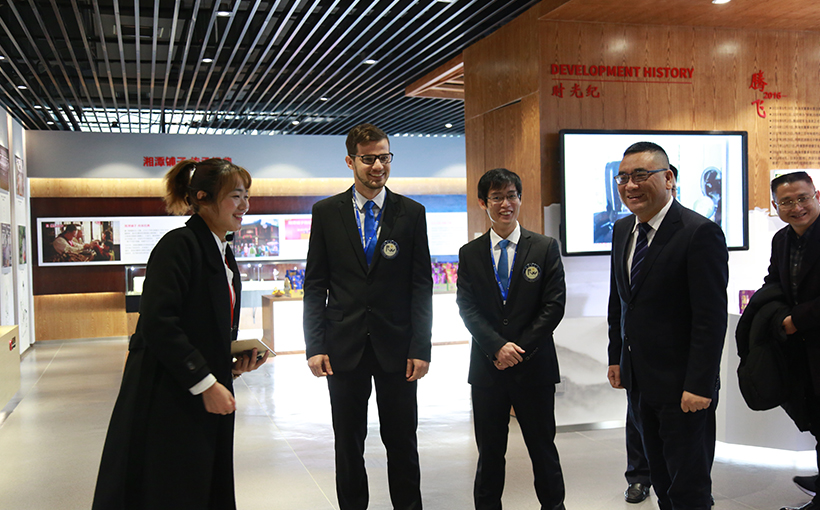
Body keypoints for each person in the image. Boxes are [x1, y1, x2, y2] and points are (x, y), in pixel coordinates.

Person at [92, 158, 269, 510]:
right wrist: (205, 381)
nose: (245, 205)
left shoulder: (221, 250)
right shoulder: (179, 245)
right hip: (167, 395)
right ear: (203, 198)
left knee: (201, 483)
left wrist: (229, 363)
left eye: (247, 196)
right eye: (236, 196)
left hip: (199, 390)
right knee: (170, 488)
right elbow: (159, 323)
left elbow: (203, 325)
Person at [303, 123, 433, 510]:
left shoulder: (411, 213)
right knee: (348, 444)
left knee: (402, 442)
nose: (378, 166)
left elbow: (421, 285)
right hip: (343, 347)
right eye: (369, 159)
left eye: (384, 157)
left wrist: (421, 347)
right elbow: (316, 284)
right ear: (350, 161)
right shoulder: (326, 212)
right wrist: (314, 345)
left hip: (398, 348)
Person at [607, 141, 728, 510]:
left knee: (688, 487)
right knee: (659, 478)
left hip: (684, 388)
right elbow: (620, 301)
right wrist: (616, 357)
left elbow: (710, 318)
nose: (630, 185)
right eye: (623, 178)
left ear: (669, 178)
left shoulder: (698, 232)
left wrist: (699, 385)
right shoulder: (623, 229)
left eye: (641, 175)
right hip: (640, 382)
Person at [456, 168, 567, 510]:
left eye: (511, 196)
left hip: (534, 368)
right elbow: (467, 307)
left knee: (543, 449)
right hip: (488, 370)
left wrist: (518, 349)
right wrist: (496, 347)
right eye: (496, 197)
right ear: (483, 203)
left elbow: (554, 306)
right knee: (489, 453)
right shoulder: (470, 253)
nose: (505, 204)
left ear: (520, 198)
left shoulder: (545, 247)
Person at [763, 171, 820, 510]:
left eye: (802, 198)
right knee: (814, 414)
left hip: (811, 335)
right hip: (804, 349)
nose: (796, 207)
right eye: (786, 202)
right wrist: (769, 314)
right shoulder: (782, 240)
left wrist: (795, 320)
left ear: (817, 196)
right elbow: (774, 282)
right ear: (776, 206)